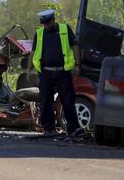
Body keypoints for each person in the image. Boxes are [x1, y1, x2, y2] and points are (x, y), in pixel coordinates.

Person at [27, 9, 84, 137]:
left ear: (53, 20)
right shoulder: (40, 33)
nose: (46, 26)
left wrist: (77, 64)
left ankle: (73, 128)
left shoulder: (65, 29)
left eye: (48, 23)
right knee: (46, 100)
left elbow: (75, 46)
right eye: (44, 24)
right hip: (46, 73)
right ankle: (49, 128)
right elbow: (33, 52)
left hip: (63, 72)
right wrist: (29, 70)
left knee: (68, 100)